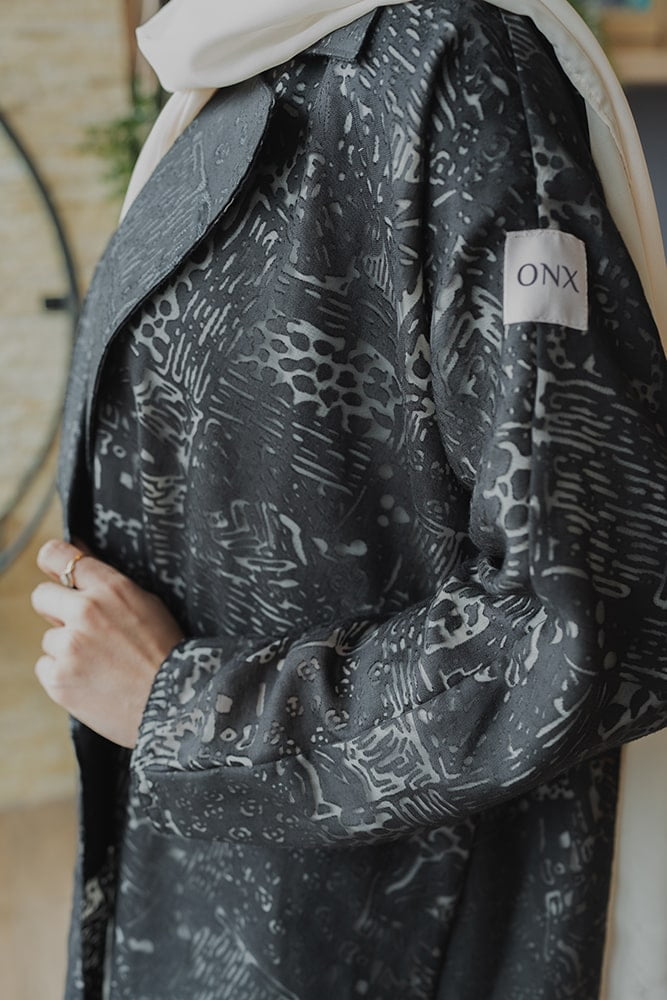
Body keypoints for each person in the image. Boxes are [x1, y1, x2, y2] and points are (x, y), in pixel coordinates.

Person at [32, 1, 667, 998]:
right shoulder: (239, 57)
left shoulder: (449, 67)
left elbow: (583, 610)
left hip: (383, 930)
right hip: (222, 899)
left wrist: (189, 710)